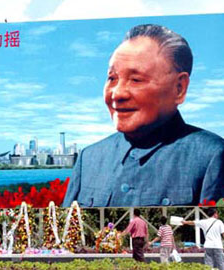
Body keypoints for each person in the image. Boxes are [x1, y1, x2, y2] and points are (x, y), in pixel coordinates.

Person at [63, 24, 224, 207]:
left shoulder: (211, 156)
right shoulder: (89, 158)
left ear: (179, 88)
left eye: (136, 80)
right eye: (112, 78)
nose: (117, 94)